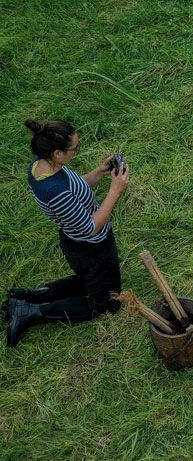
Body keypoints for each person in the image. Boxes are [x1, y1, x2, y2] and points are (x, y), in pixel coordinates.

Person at [5, 120, 130, 347]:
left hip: (75, 243)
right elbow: (91, 226)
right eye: (74, 149)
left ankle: (28, 297)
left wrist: (101, 171)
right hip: (91, 247)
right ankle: (32, 312)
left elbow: (76, 187)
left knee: (89, 281)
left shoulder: (43, 166)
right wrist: (115, 190)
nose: (76, 152)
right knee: (107, 303)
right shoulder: (55, 192)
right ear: (57, 153)